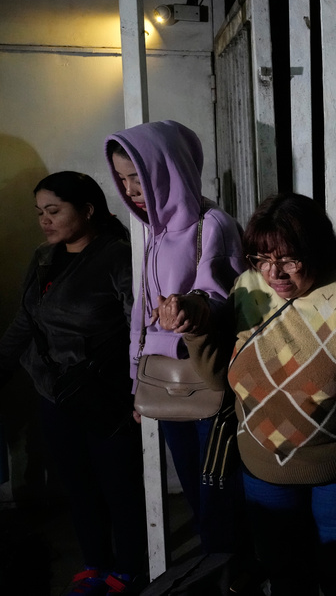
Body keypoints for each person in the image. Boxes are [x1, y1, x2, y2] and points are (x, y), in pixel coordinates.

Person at [185, 192, 336, 596]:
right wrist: (196, 331)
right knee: (285, 577)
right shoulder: (248, 286)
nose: (274, 273)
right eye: (262, 258)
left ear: (317, 250)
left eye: (289, 259)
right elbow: (222, 378)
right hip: (264, 471)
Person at [104, 120, 247, 555]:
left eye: (139, 177)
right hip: (165, 382)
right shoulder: (153, 232)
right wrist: (136, 383)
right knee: (194, 490)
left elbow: (229, 298)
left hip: (206, 378)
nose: (130, 189)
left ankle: (231, 573)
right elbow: (141, 318)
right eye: (122, 179)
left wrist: (189, 309)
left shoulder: (213, 224)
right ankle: (217, 566)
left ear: (168, 171)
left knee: (218, 496)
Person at [0, 172, 147, 595]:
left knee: (117, 485)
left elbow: (137, 324)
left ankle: (128, 568)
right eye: (39, 213)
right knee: (78, 486)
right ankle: (95, 564)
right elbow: (24, 321)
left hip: (107, 395)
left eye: (54, 211)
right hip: (56, 393)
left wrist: (142, 389)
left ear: (87, 210)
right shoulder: (43, 258)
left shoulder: (118, 257)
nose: (44, 221)